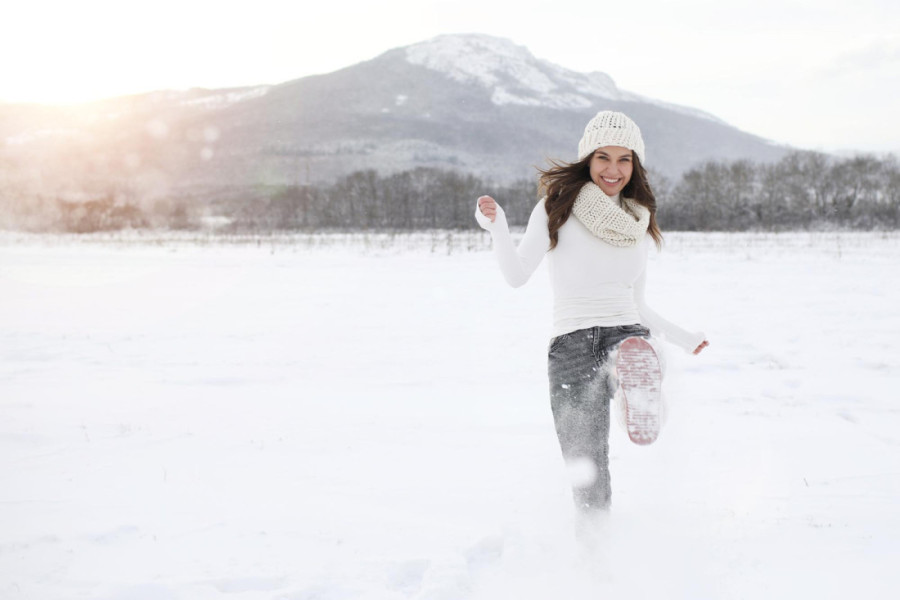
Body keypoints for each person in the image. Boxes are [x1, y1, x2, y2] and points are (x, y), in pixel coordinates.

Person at [474, 110, 709, 524]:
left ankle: (636, 385)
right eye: (604, 157)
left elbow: (639, 304)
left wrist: (683, 337)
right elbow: (516, 275)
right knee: (586, 473)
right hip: (572, 347)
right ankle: (597, 558)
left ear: (635, 165)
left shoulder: (638, 221)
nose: (613, 170)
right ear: (588, 159)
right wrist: (496, 228)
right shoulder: (554, 208)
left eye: (624, 159)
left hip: (626, 332)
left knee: (637, 357)